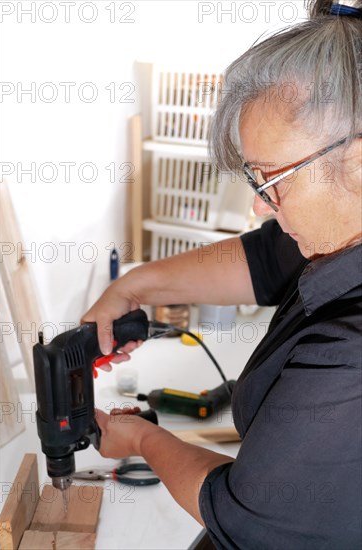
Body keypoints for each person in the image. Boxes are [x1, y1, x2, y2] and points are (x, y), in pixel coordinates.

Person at [83, 0, 362, 547]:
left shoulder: (349, 354)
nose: (261, 207)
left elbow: (246, 518)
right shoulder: (341, 224)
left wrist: (140, 437)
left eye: (270, 180)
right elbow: (266, 259)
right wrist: (132, 286)